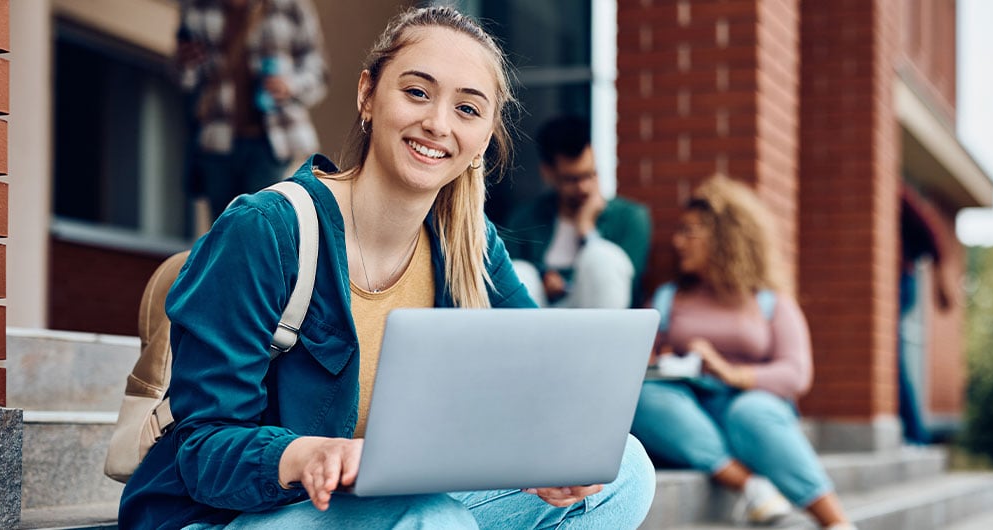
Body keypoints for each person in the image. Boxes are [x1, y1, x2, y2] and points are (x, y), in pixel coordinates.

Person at [120, 7, 655, 529]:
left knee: (622, 469)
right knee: (432, 517)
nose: (437, 123)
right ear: (367, 95)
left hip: (384, 504)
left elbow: (546, 387)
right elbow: (203, 447)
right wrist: (306, 455)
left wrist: (546, 451)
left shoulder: (468, 244)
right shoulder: (266, 228)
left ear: (485, 139)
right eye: (417, 92)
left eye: (468, 109)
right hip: (223, 514)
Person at [630, 175, 855, 529]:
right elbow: (641, 358)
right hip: (689, 408)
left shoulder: (770, 303)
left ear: (724, 237)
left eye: (690, 232)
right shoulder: (667, 299)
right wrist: (657, 362)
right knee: (644, 398)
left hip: (751, 406)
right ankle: (752, 485)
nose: (678, 242)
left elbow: (797, 374)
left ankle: (836, 522)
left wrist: (734, 374)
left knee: (750, 413)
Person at [176, 0, 329, 218]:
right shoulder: (197, 6)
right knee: (224, 234)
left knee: (270, 229)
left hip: (275, 144)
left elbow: (318, 69)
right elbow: (186, 79)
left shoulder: (291, 5)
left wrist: (290, 85)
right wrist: (185, 64)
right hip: (217, 145)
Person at [505, 115, 651, 308]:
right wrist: (542, 276)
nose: (584, 187)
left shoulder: (629, 217)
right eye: (572, 179)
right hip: (541, 313)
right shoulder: (526, 219)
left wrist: (587, 230)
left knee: (603, 257)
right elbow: (504, 277)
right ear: (548, 173)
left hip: (597, 317)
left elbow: (627, 286)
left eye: (590, 174)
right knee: (520, 272)